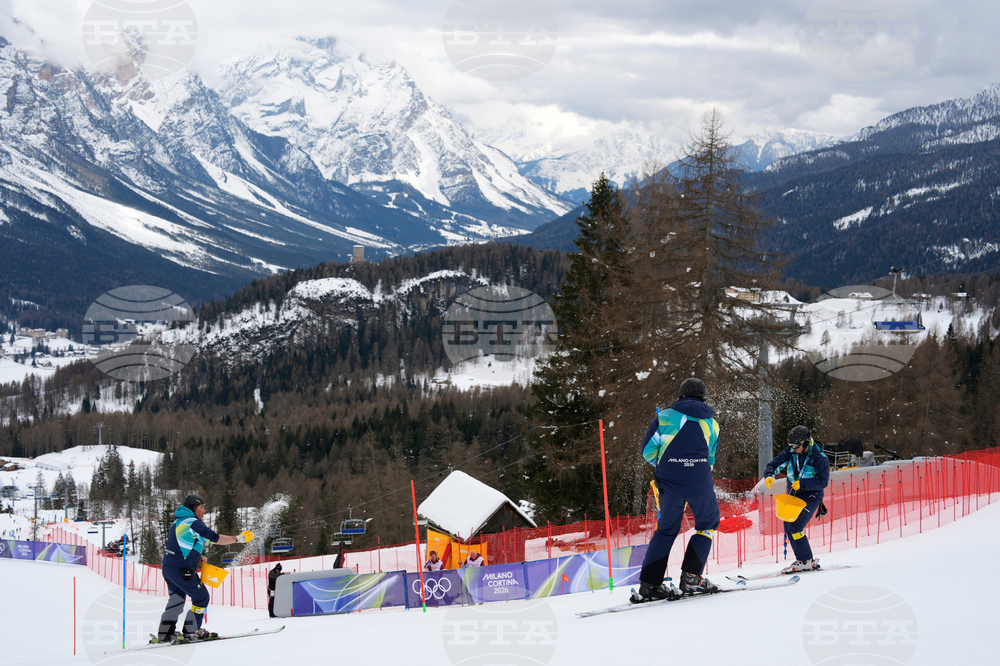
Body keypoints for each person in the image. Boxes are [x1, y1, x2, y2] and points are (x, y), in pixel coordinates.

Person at [633, 378, 721, 603]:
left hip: (669, 483)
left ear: (681, 395)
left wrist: (666, 466)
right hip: (699, 482)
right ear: (704, 396)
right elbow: (711, 458)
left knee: (666, 531)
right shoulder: (711, 422)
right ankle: (691, 578)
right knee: (707, 525)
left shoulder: (664, 417)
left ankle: (650, 585)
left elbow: (647, 451)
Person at [154, 493, 254, 644]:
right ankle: (191, 631)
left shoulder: (179, 522)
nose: (204, 511)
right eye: (202, 507)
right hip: (182, 571)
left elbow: (191, 540)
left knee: (176, 600)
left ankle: (165, 633)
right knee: (201, 597)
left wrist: (201, 555)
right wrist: (238, 539)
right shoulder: (193, 522)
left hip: (169, 568)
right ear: (194, 508)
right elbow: (213, 537)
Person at [763, 425, 831, 574]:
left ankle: (806, 560)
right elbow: (774, 464)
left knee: (795, 527)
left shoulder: (820, 458)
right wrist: (769, 475)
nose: (793, 449)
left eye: (796, 446)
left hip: (812, 496)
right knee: (788, 527)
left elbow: (823, 482)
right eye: (791, 446)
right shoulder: (791, 452)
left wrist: (803, 484)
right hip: (794, 495)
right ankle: (803, 560)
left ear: (805, 443)